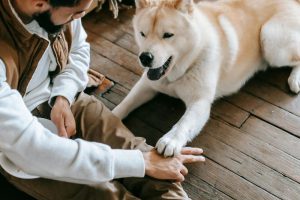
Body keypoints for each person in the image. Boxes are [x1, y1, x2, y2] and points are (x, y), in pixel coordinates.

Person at [0, 0, 205, 199]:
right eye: (76, 13)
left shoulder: (64, 7)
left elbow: (78, 49)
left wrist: (63, 96)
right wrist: (140, 162)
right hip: (10, 146)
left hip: (63, 99)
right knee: (104, 193)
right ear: (39, 4)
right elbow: (32, 149)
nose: (79, 17)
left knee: (145, 158)